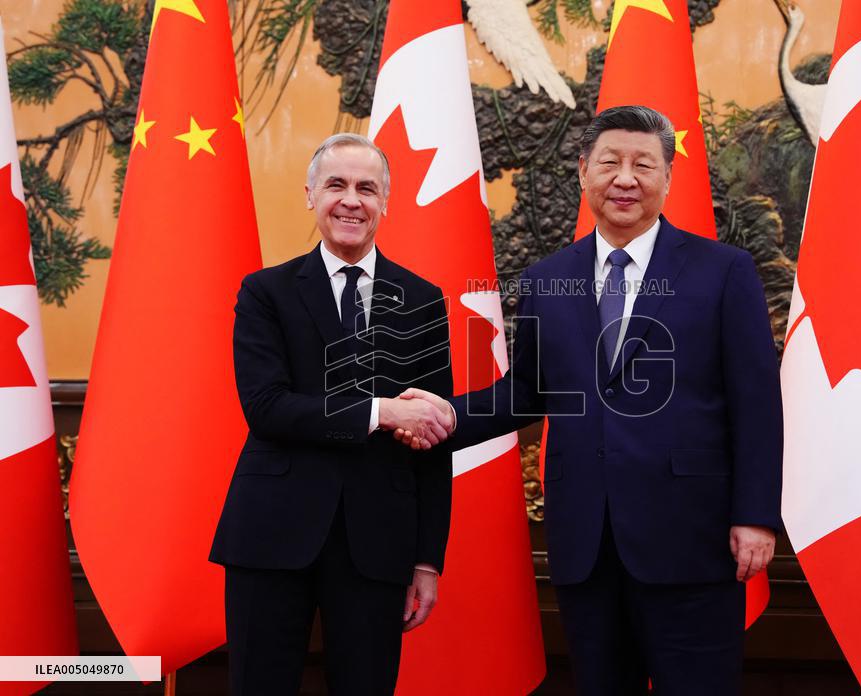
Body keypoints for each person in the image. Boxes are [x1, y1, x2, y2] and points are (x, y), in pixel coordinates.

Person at [399, 106, 783, 694]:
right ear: (583, 173)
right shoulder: (550, 277)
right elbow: (528, 391)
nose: (624, 178)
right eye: (609, 162)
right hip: (586, 542)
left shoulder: (723, 271)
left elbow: (755, 401)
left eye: (642, 164)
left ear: (667, 178)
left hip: (692, 537)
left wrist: (754, 515)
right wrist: (445, 413)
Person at [209, 133, 455, 695]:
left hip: (378, 539)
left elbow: (434, 434)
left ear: (385, 201)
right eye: (336, 185)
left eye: (366, 188)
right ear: (310, 195)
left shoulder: (422, 300)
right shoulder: (266, 292)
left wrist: (427, 559)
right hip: (272, 533)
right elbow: (267, 408)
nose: (351, 200)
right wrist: (379, 411)